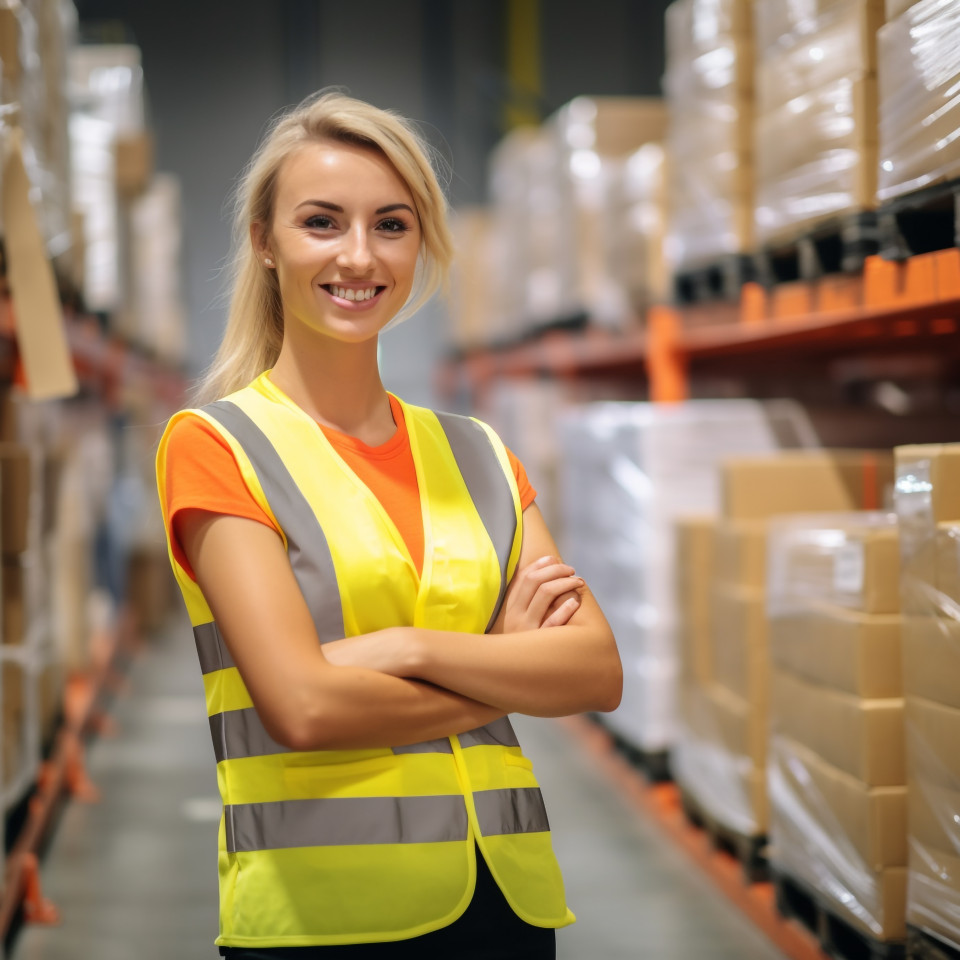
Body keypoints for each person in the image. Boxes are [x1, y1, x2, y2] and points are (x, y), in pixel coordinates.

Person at [155, 90, 622, 959]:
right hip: (325, 916)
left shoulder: (479, 453)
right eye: (322, 223)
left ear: (420, 244)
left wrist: (406, 649)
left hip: (511, 909)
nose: (360, 256)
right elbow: (299, 706)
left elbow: (593, 671)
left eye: (392, 225)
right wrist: (504, 665)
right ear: (265, 242)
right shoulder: (218, 446)